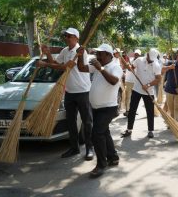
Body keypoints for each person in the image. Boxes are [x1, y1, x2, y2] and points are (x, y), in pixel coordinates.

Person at [38, 27, 94, 160]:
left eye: (69, 36)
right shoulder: (65, 50)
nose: (67, 38)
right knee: (71, 121)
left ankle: (89, 148)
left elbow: (65, 67)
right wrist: (48, 53)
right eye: (66, 36)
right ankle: (74, 148)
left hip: (82, 91)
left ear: (76, 38)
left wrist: (45, 65)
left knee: (87, 121)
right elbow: (55, 63)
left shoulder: (80, 51)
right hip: (69, 91)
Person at [77, 43, 122, 178]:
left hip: (108, 108)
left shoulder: (115, 67)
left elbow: (114, 81)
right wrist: (80, 56)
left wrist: (100, 68)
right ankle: (113, 157)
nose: (97, 56)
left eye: (100, 53)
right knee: (104, 132)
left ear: (108, 55)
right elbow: (81, 68)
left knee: (96, 135)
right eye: (97, 53)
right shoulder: (98, 65)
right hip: (96, 107)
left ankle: (101, 164)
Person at [121, 48, 162, 138]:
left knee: (150, 111)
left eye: (152, 59)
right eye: (150, 58)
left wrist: (148, 85)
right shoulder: (139, 60)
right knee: (132, 110)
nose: (151, 61)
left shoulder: (156, 65)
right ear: (147, 55)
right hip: (136, 89)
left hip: (148, 92)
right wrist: (129, 67)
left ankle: (150, 130)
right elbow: (132, 68)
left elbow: (158, 79)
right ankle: (129, 129)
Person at [123, 49, 141, 116]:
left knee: (134, 98)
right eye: (135, 54)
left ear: (140, 55)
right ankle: (127, 110)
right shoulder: (130, 60)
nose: (136, 55)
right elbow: (127, 68)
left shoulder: (140, 62)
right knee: (128, 97)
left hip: (136, 82)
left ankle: (133, 110)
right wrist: (127, 65)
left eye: (138, 54)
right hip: (129, 81)